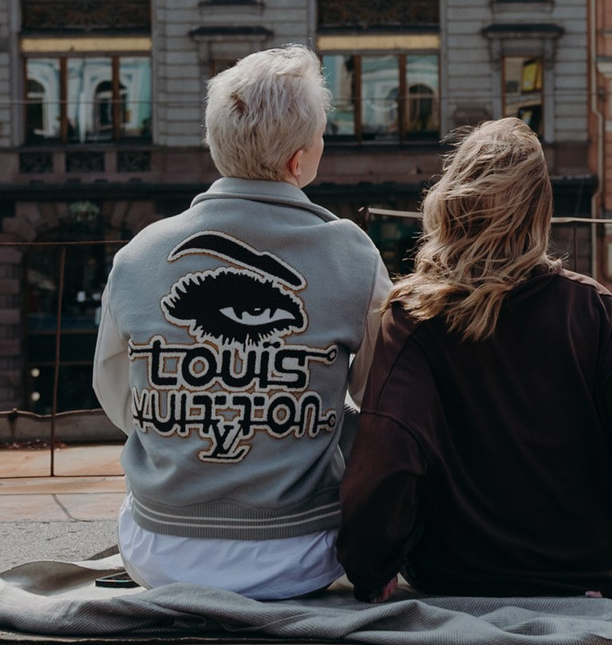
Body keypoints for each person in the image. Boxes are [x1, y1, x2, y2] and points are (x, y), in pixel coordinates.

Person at [338, 117, 612, 600]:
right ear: (540, 212)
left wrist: (370, 569)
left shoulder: (414, 317)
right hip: (581, 575)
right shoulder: (591, 310)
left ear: (451, 201)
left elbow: (387, 459)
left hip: (451, 578)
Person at [92, 45, 390, 598]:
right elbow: (384, 397)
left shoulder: (137, 255)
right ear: (298, 162)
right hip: (299, 555)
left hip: (158, 552)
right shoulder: (352, 255)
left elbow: (116, 393)